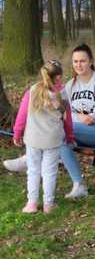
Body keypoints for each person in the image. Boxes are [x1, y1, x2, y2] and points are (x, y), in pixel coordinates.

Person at [3, 44, 95, 200]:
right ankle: (79, 185)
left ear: (90, 61)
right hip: (76, 130)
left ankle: (30, 158)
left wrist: (78, 117)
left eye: (83, 61)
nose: (79, 65)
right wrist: (78, 117)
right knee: (61, 138)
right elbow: (61, 108)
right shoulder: (71, 84)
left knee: (59, 132)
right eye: (75, 61)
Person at [13, 60, 74, 213]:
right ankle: (48, 204)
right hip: (53, 139)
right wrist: (70, 136)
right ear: (59, 76)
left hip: (33, 138)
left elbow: (22, 116)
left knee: (33, 170)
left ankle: (31, 204)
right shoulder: (63, 94)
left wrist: (17, 133)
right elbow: (68, 119)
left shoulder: (32, 91)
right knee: (49, 172)